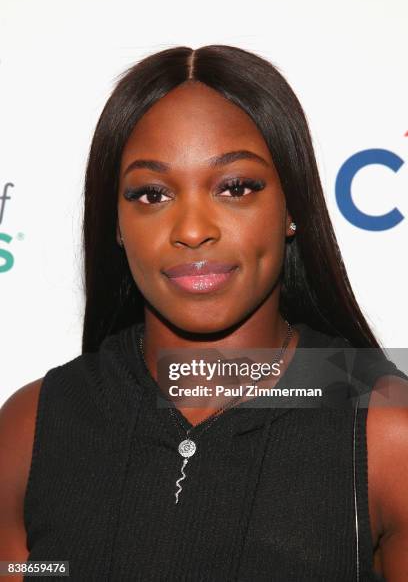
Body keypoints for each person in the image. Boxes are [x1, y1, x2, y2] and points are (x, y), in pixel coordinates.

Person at [0, 45, 407, 582]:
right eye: (151, 194)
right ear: (116, 223)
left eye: (236, 187)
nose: (193, 229)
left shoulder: (387, 430)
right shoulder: (32, 426)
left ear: (292, 207)